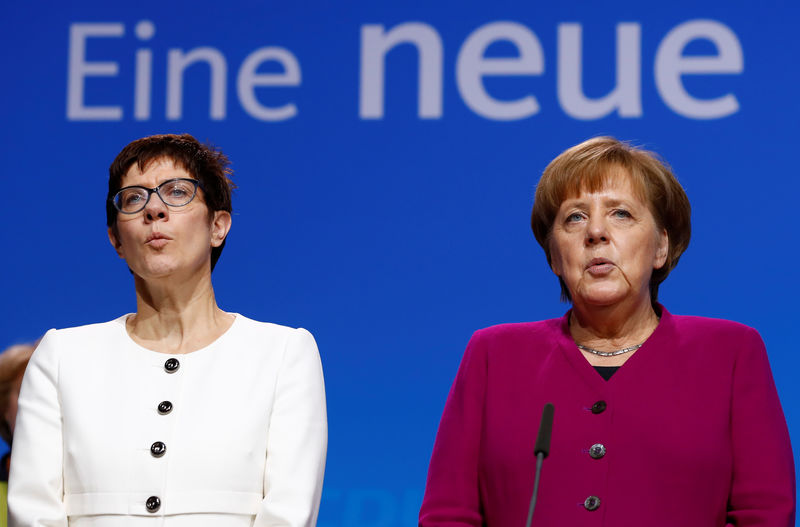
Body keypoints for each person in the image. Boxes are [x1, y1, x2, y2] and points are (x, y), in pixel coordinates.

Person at [418, 137, 795, 526]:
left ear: (661, 247)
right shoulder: (492, 356)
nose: (596, 231)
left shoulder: (730, 353)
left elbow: (763, 514)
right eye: (575, 217)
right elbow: (449, 515)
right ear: (554, 256)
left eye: (621, 214)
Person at [9, 134, 328, 526]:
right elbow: (33, 512)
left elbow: (288, 514)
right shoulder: (62, 357)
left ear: (218, 226)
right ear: (116, 240)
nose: (154, 209)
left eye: (177, 193)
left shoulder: (282, 354)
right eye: (133, 198)